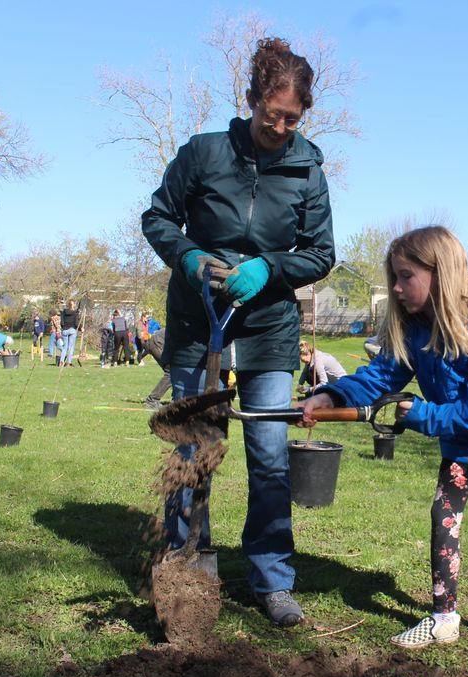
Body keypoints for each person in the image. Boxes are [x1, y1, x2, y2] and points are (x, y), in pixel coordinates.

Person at [299, 226, 468, 677]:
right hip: (462, 436)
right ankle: (444, 617)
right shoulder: (416, 327)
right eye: (395, 278)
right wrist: (332, 394)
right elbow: (380, 375)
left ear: (439, 274)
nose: (397, 289)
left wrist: (418, 415)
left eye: (405, 277)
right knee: (443, 515)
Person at [142, 36, 335, 627]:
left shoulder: (307, 169)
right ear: (250, 99)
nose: (280, 127)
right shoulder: (203, 154)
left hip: (270, 326)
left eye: (292, 118)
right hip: (201, 320)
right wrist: (190, 257)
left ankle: (273, 580)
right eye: (271, 114)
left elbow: (322, 253)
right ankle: (182, 564)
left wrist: (270, 267)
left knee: (270, 455)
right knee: (191, 447)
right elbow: (156, 217)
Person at [143, 327, 171, 410]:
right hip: (157, 343)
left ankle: (177, 398)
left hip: (157, 342)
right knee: (171, 373)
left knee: (176, 372)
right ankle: (152, 400)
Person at [59, 300, 81, 367]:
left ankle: (61, 362)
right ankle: (68, 363)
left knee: (65, 347)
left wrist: (64, 328)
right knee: (70, 347)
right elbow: (76, 323)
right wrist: (81, 328)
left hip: (65, 330)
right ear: (73, 305)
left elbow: (62, 322)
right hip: (72, 330)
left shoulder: (63, 312)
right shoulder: (75, 313)